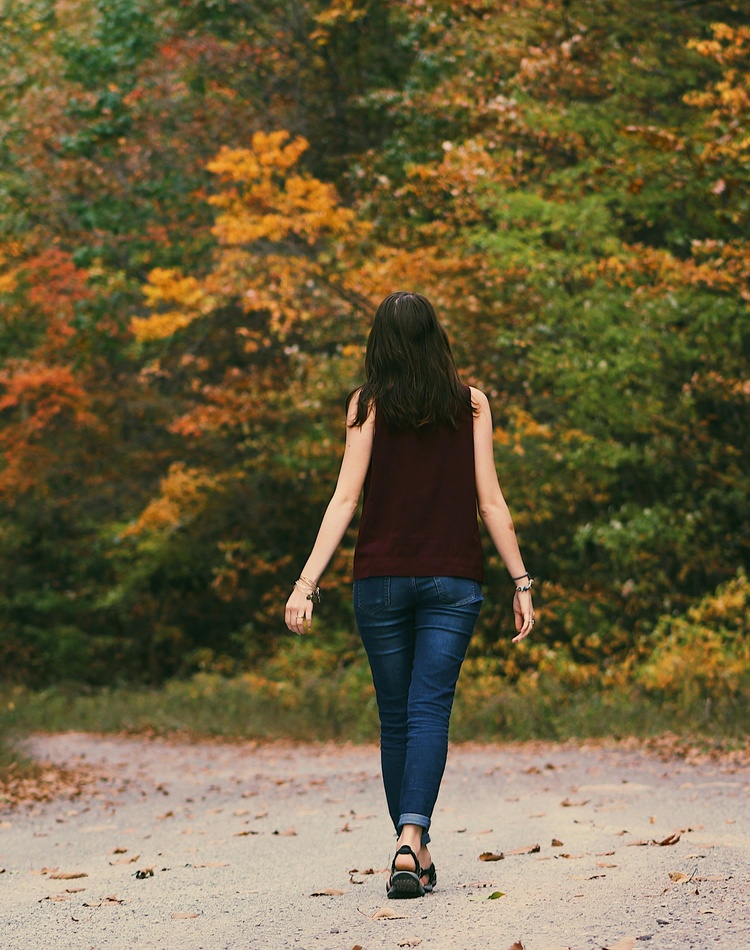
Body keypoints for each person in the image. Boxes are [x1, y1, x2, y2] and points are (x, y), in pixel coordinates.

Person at [285, 291, 535, 898]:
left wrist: (306, 582)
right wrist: (521, 581)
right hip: (454, 579)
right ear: (436, 337)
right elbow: (490, 501)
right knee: (429, 711)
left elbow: (345, 498)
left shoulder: (366, 405)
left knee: (395, 716)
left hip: (381, 580)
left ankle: (408, 844)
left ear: (381, 343)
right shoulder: (470, 404)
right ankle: (412, 839)